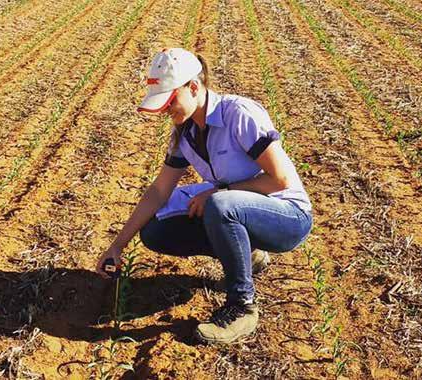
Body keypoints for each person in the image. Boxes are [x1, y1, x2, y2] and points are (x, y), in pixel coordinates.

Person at [96, 48, 312, 344]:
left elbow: (280, 179)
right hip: (238, 208)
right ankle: (247, 254)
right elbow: (159, 191)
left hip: (287, 215)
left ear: (194, 87)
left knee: (219, 205)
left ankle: (242, 307)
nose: (166, 111)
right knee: (156, 229)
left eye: (170, 101)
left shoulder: (239, 114)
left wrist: (218, 191)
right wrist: (116, 246)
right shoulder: (184, 134)